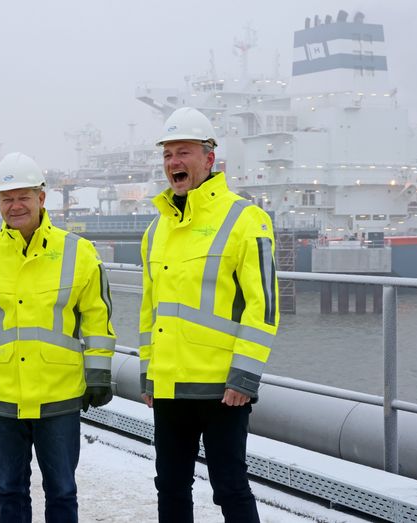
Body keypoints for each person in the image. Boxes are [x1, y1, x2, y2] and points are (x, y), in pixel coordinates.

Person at [0, 152, 115, 523]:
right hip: (2, 394)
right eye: (6, 198)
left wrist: (99, 373)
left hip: (59, 394)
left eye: (23, 196)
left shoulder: (79, 253)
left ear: (42, 198)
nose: (15, 206)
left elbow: (97, 317)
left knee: (62, 491)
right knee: (10, 490)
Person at [139, 108, 279, 522]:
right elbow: (151, 310)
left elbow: (264, 306)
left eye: (183, 152)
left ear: (209, 158)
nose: (174, 163)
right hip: (170, 385)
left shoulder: (244, 219)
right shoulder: (156, 229)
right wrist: (149, 371)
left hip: (222, 387)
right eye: (167, 155)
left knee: (230, 487)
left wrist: (244, 376)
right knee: (170, 487)